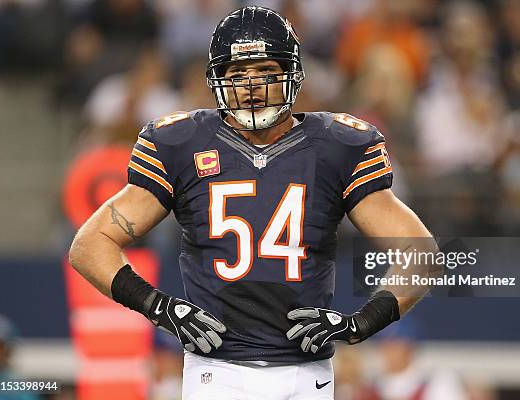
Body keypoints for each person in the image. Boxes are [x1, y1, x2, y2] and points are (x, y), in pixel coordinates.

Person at [69, 6, 435, 399]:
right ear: (217, 80)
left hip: (305, 372)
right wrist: (157, 306)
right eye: (237, 74)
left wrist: (362, 322)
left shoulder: (335, 147)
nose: (251, 86)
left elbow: (421, 252)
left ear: (292, 74)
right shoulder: (181, 143)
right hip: (215, 369)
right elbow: (90, 246)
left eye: (264, 71)